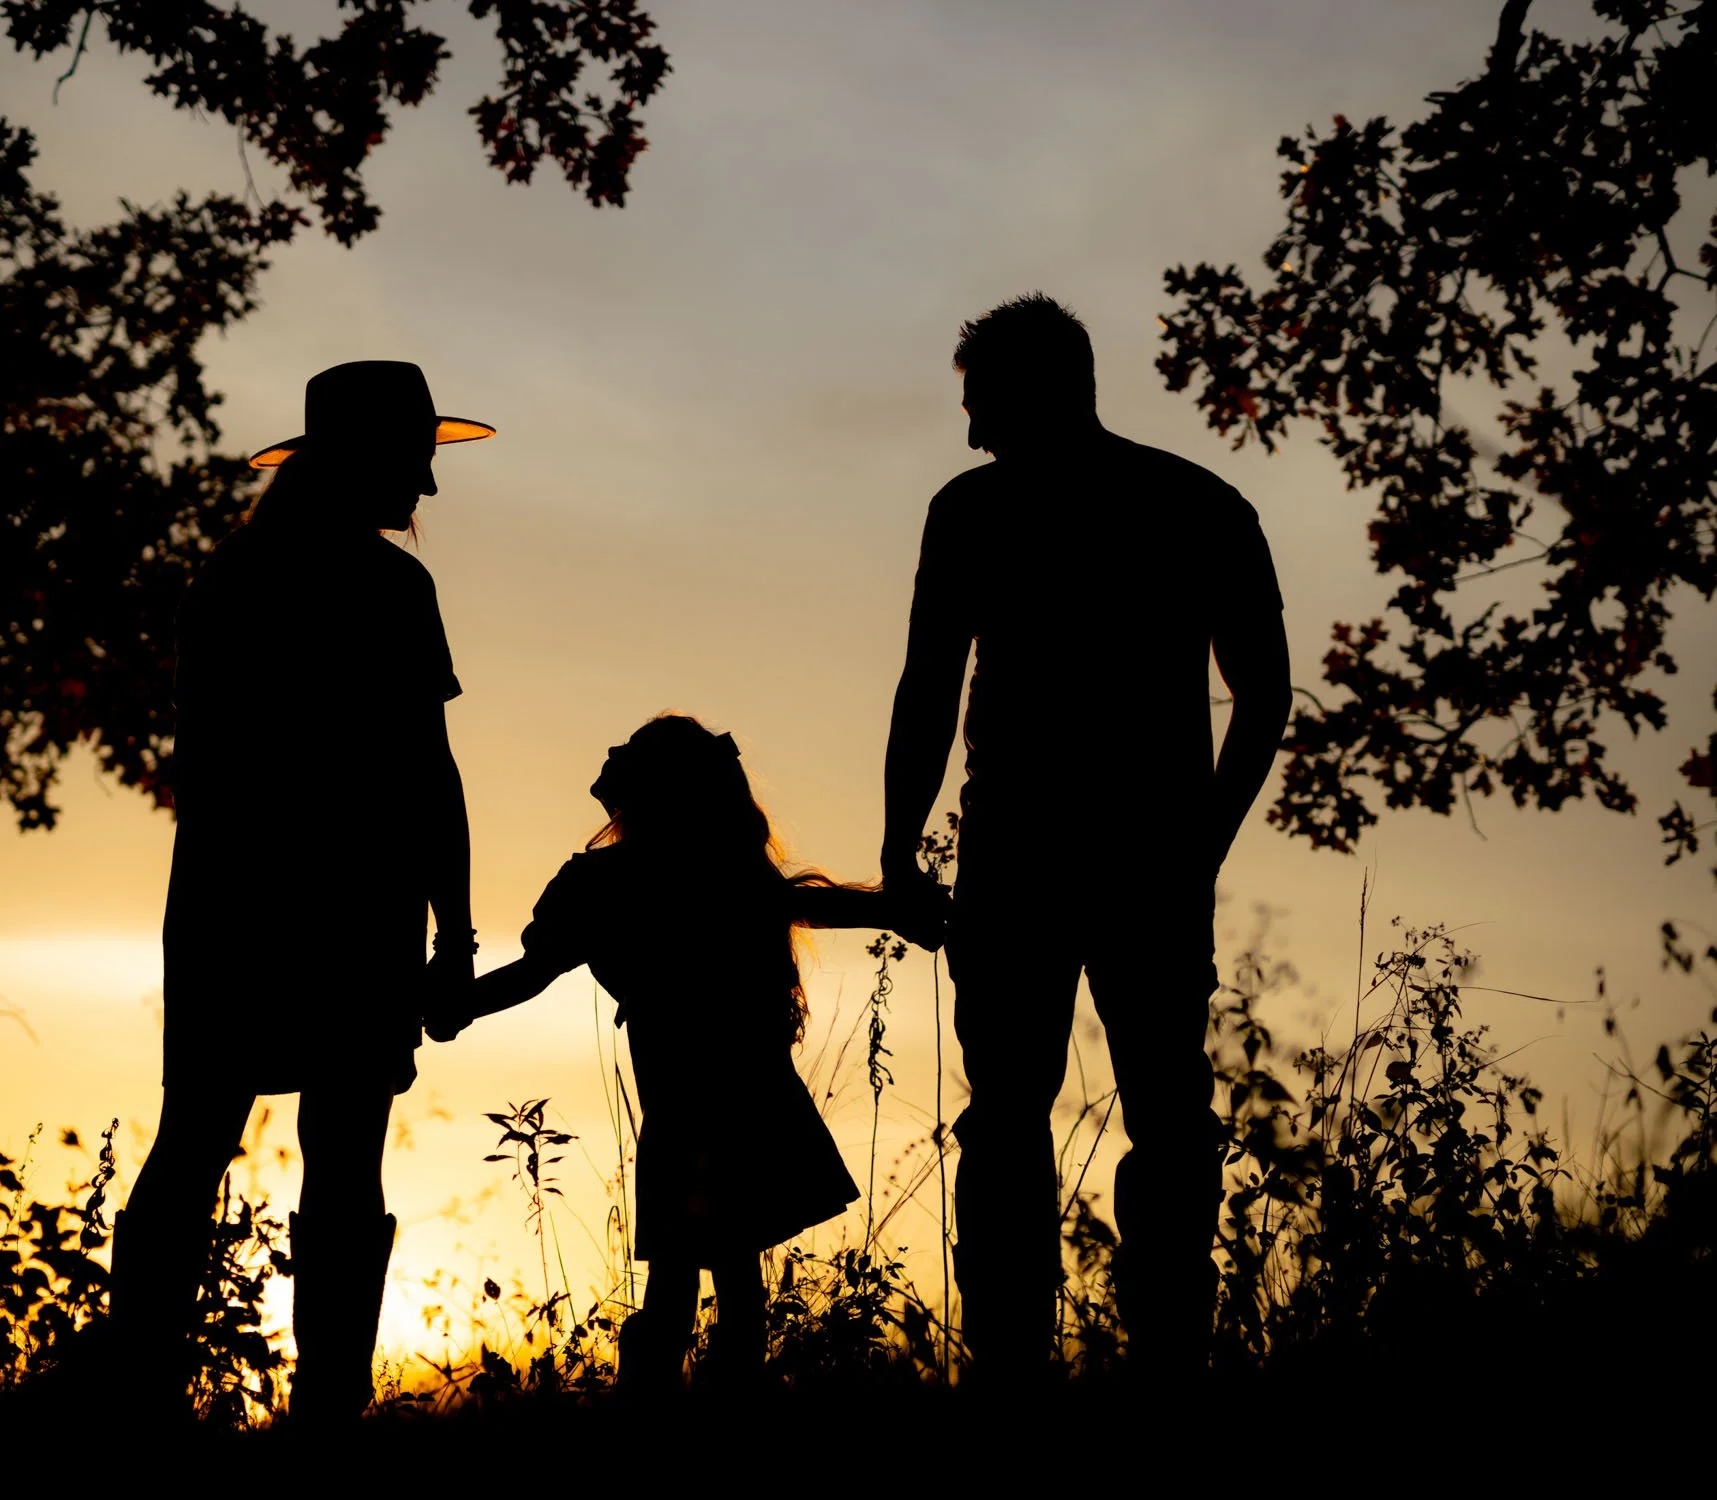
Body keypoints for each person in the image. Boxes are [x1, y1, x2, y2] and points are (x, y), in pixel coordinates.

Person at [879, 294, 1292, 1370]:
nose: (970, 430)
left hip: (1026, 852)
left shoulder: (972, 512)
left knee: (1019, 1116)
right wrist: (1200, 840)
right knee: (1156, 1113)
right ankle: (1161, 1357)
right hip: (1114, 853)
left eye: (980, 404)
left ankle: (1017, 1365)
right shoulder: (1196, 502)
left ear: (1037, 388)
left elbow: (927, 688)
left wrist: (896, 844)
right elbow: (1265, 694)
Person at [112, 360, 494, 1419]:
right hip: (350, 908)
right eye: (416, 458)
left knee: (190, 1142)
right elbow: (429, 770)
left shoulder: (227, 577)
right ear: (367, 458)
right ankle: (326, 1412)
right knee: (341, 1159)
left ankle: (134, 1400)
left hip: (227, 902)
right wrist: (452, 935)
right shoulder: (388, 588)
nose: (426, 484)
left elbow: (214, 763)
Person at [427, 714, 944, 1387]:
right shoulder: (724, 875)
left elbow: (533, 972)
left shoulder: (609, 884)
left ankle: (657, 1412)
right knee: (733, 1281)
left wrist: (454, 1005)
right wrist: (891, 910)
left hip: (685, 1111)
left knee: (679, 1280)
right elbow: (807, 904)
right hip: (750, 1100)